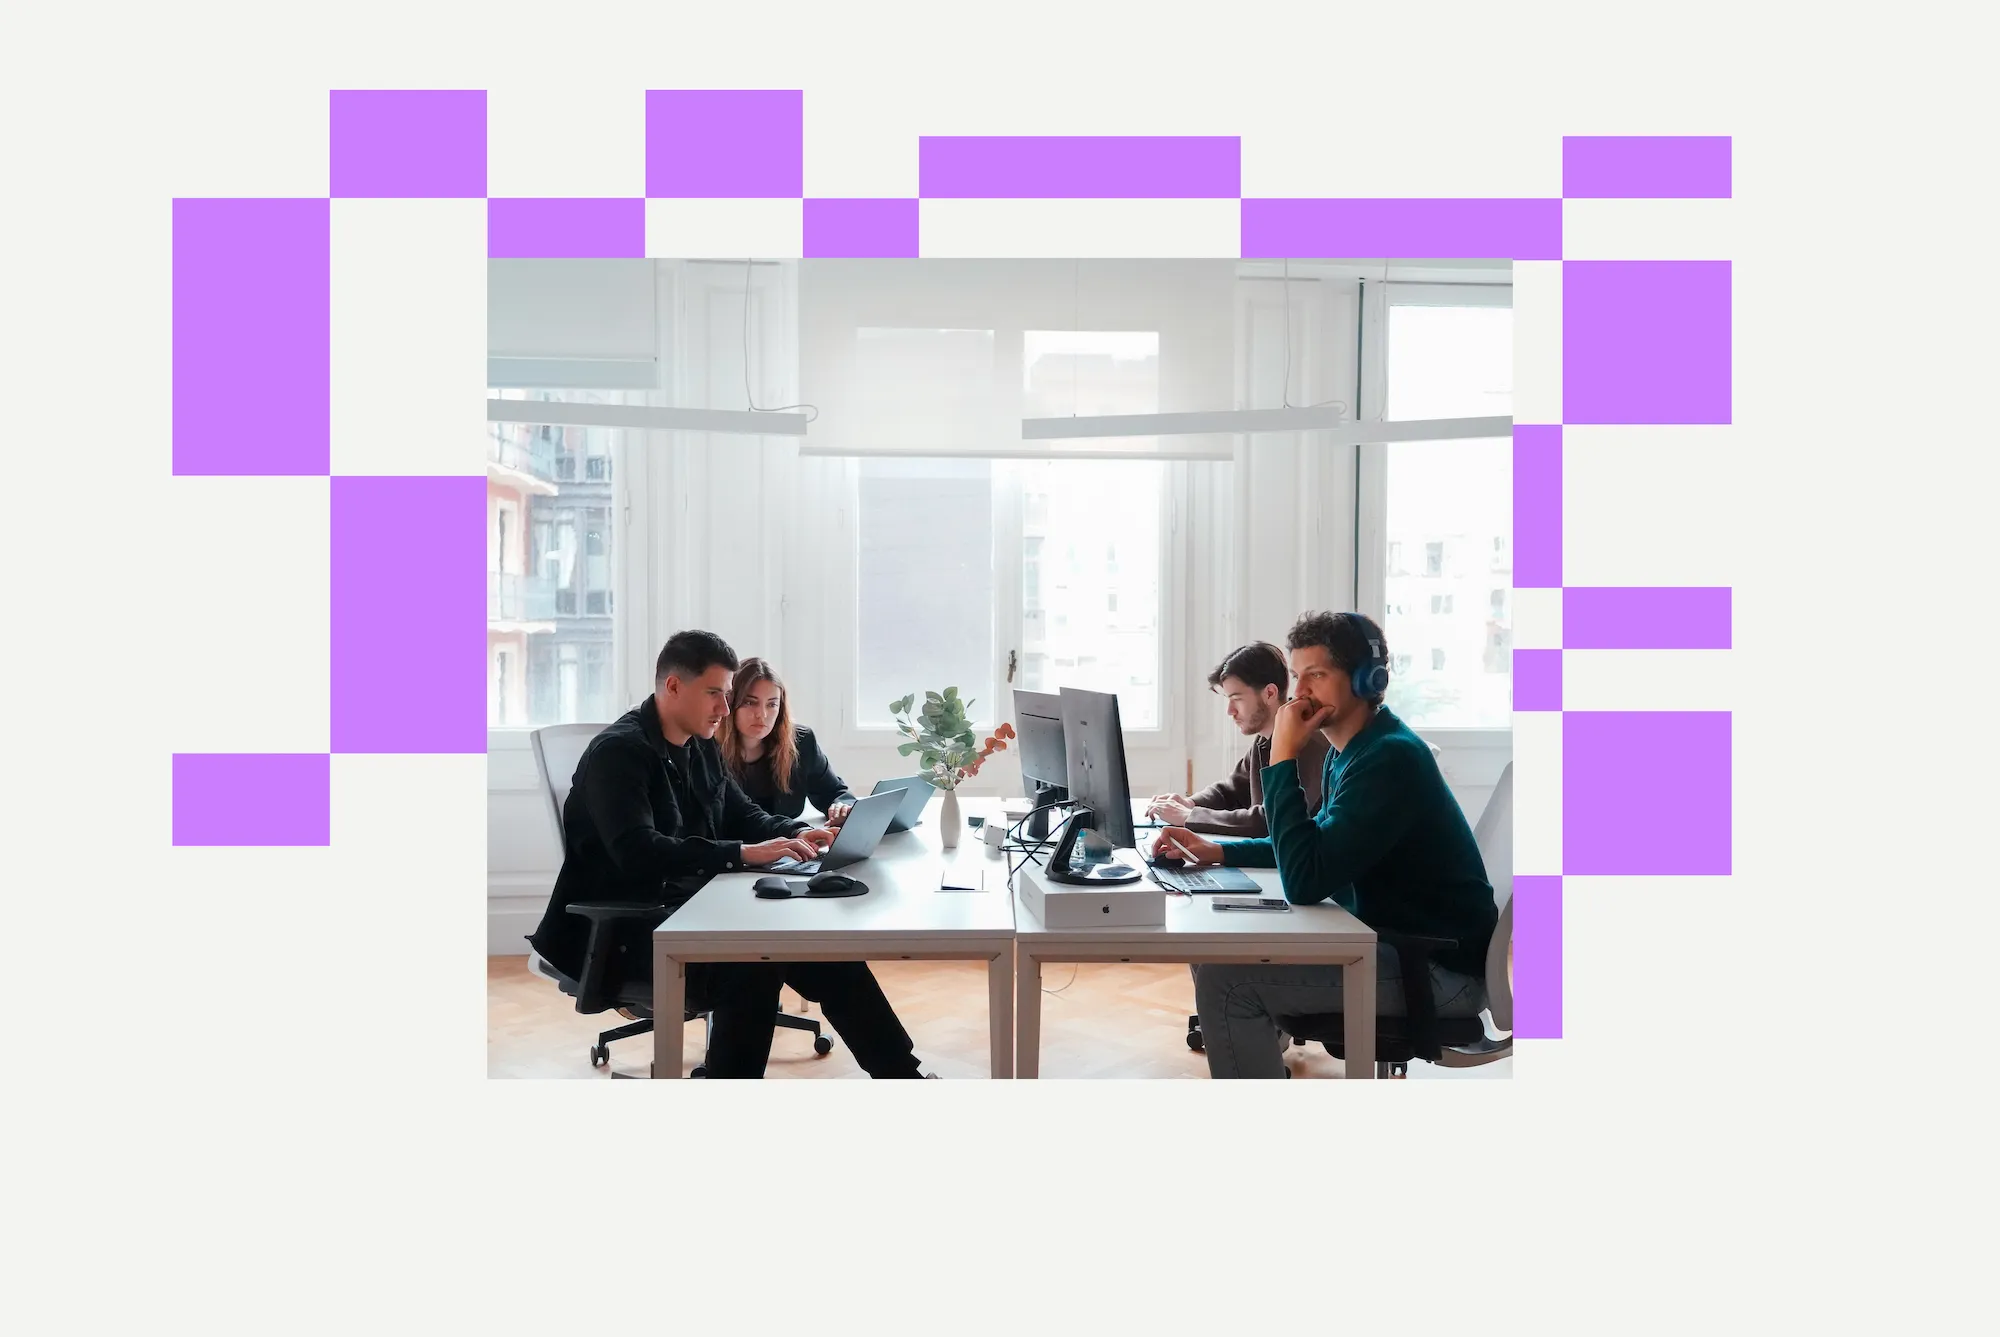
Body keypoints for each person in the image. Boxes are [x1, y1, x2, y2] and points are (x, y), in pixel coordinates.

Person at [527, 629, 930, 1079]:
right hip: (633, 929)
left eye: (727, 694)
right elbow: (639, 853)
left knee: (823, 950)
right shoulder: (619, 754)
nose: (725, 708)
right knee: (754, 964)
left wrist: (798, 833)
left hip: (694, 909)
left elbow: (742, 813)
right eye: (715, 693)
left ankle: (902, 1076)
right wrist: (742, 854)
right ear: (674, 686)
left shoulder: (700, 744)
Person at [1155, 611, 1497, 1079]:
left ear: (1366, 679)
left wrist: (1283, 755)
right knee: (1216, 945)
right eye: (1297, 676)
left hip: (1434, 971)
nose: (1299, 692)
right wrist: (1220, 850)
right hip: (1393, 945)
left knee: (1227, 982)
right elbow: (1314, 842)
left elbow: (1306, 880)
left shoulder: (1388, 757)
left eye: (1315, 675)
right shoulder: (1351, 750)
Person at [1146, 641, 1327, 836]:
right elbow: (1231, 791)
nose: (1230, 711)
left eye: (1237, 699)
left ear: (1269, 693)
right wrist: (1189, 803)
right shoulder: (1265, 739)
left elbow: (1270, 820)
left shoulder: (1306, 740)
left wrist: (1189, 816)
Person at [717, 657, 857, 827]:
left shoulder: (800, 742)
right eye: (750, 702)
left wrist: (842, 808)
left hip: (789, 839)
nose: (762, 714)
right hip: (740, 843)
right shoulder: (705, 749)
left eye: (771, 705)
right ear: (730, 703)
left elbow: (835, 792)